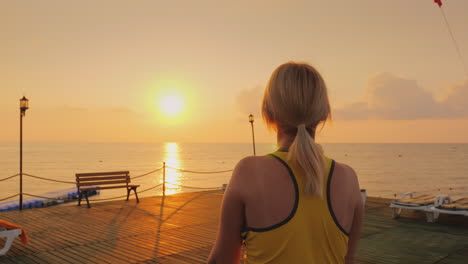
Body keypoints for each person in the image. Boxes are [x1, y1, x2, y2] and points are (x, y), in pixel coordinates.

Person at [208, 62, 364, 264]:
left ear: (267, 111)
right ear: (324, 113)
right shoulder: (349, 179)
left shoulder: (249, 172)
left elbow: (222, 260)